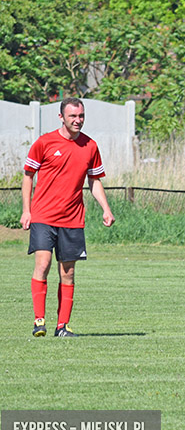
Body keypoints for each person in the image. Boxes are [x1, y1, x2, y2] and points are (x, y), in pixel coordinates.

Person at [20, 97, 115, 338]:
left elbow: (94, 181)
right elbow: (28, 176)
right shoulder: (44, 142)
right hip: (43, 216)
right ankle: (39, 321)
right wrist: (26, 210)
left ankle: (62, 326)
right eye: (73, 116)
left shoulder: (90, 146)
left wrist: (106, 208)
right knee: (43, 264)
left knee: (68, 273)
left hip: (72, 219)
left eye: (81, 116)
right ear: (61, 117)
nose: (78, 120)